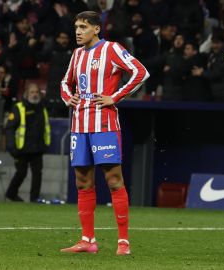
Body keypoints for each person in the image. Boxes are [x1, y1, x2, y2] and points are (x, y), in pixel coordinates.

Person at [59, 11, 149, 256]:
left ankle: (123, 242)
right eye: (76, 27)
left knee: (113, 180)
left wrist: (115, 96)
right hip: (79, 125)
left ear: (96, 29)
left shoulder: (111, 49)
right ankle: (88, 240)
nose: (78, 31)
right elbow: (65, 83)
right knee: (82, 182)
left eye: (83, 27)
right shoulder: (77, 54)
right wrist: (69, 98)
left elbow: (140, 72)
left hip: (105, 124)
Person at [5, 83, 51, 202]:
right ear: (26, 94)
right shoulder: (19, 107)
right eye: (32, 92)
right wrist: (11, 147)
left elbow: (45, 127)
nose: (35, 94)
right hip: (22, 148)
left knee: (37, 174)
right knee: (21, 173)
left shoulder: (42, 107)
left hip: (38, 148)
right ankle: (11, 194)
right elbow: (9, 128)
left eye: (36, 92)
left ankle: (34, 199)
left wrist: (45, 145)